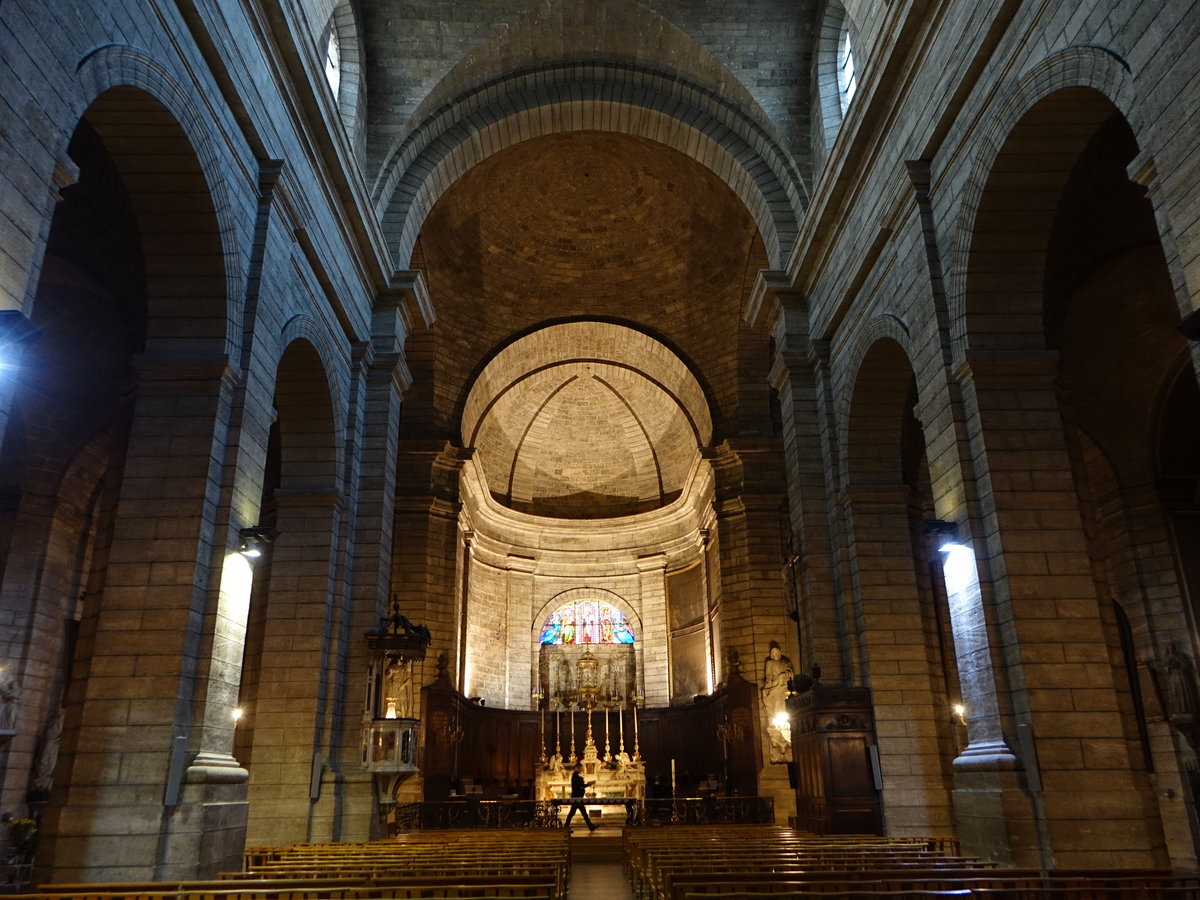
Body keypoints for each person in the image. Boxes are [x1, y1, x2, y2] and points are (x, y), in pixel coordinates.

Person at [564, 762, 596, 831]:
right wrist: (587, 784)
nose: (581, 769)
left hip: (577, 798)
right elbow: (579, 786)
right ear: (576, 768)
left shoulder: (576, 775)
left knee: (577, 813)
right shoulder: (575, 775)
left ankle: (590, 826)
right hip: (576, 798)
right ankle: (590, 826)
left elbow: (580, 785)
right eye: (580, 768)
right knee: (576, 813)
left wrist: (587, 784)